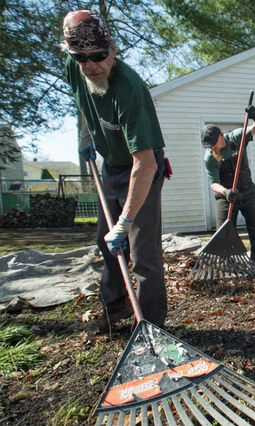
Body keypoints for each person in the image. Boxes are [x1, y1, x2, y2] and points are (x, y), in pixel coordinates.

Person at [61, 10, 167, 330]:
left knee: (142, 253)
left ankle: (151, 326)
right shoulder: (75, 68)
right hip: (112, 165)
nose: (92, 65)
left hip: (143, 168)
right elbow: (82, 102)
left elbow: (145, 164)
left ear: (113, 50)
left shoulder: (129, 88)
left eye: (98, 56)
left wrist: (125, 221)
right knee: (105, 244)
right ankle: (115, 307)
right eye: (82, 58)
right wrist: (85, 135)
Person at [201, 109, 255, 266]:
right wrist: (226, 192)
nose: (212, 148)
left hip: (248, 191)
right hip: (226, 194)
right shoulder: (210, 157)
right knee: (223, 230)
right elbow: (213, 183)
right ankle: (229, 264)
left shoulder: (236, 137)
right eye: (209, 146)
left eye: (213, 144)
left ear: (220, 136)